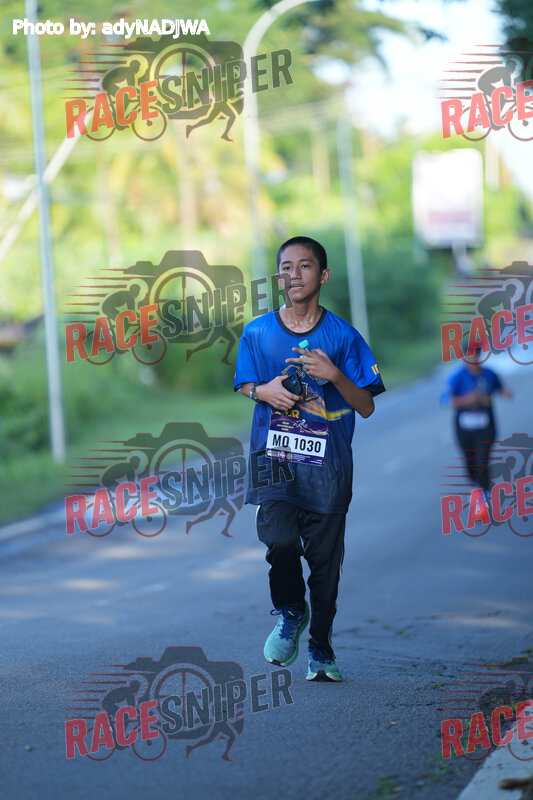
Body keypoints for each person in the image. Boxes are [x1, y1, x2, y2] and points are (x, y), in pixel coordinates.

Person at [233, 236, 385, 682]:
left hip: (328, 469)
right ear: (278, 276)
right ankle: (290, 611)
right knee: (279, 541)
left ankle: (321, 649)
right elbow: (245, 384)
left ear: (323, 275)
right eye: (286, 267)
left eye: (305, 266)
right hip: (275, 461)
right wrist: (263, 391)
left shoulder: (343, 336)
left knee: (325, 568)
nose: (294, 274)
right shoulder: (258, 332)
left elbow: (366, 405)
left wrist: (333, 374)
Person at [446, 349, 512, 500]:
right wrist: (468, 400)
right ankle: (476, 486)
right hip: (464, 427)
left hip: (486, 426)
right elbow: (446, 400)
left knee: (482, 459)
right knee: (469, 460)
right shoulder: (457, 377)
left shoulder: (489, 374)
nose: (473, 359)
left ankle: (483, 492)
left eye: (476, 355)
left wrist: (506, 393)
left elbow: (500, 388)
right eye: (469, 356)